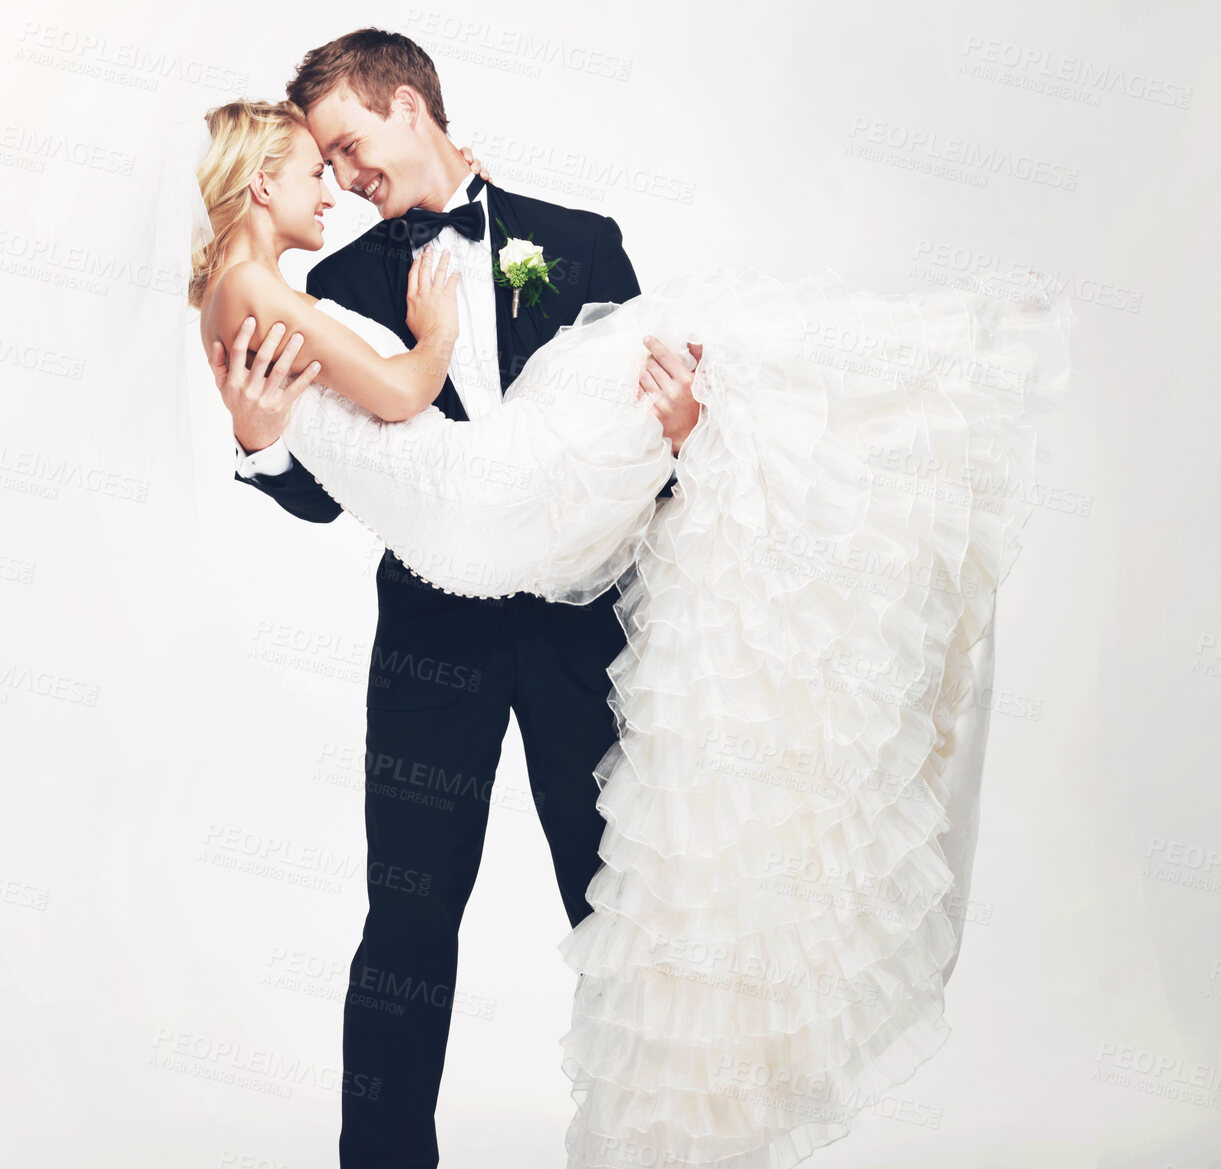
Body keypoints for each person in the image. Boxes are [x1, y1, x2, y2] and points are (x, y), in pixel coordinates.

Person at [194, 48, 1070, 1169]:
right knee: (405, 930)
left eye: (350, 146)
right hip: (433, 644)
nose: (345, 175)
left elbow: (642, 426)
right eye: (324, 163)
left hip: (586, 640)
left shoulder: (583, 239)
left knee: (629, 916)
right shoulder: (331, 285)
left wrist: (690, 429)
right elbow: (333, 488)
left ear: (408, 105)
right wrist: (259, 446)